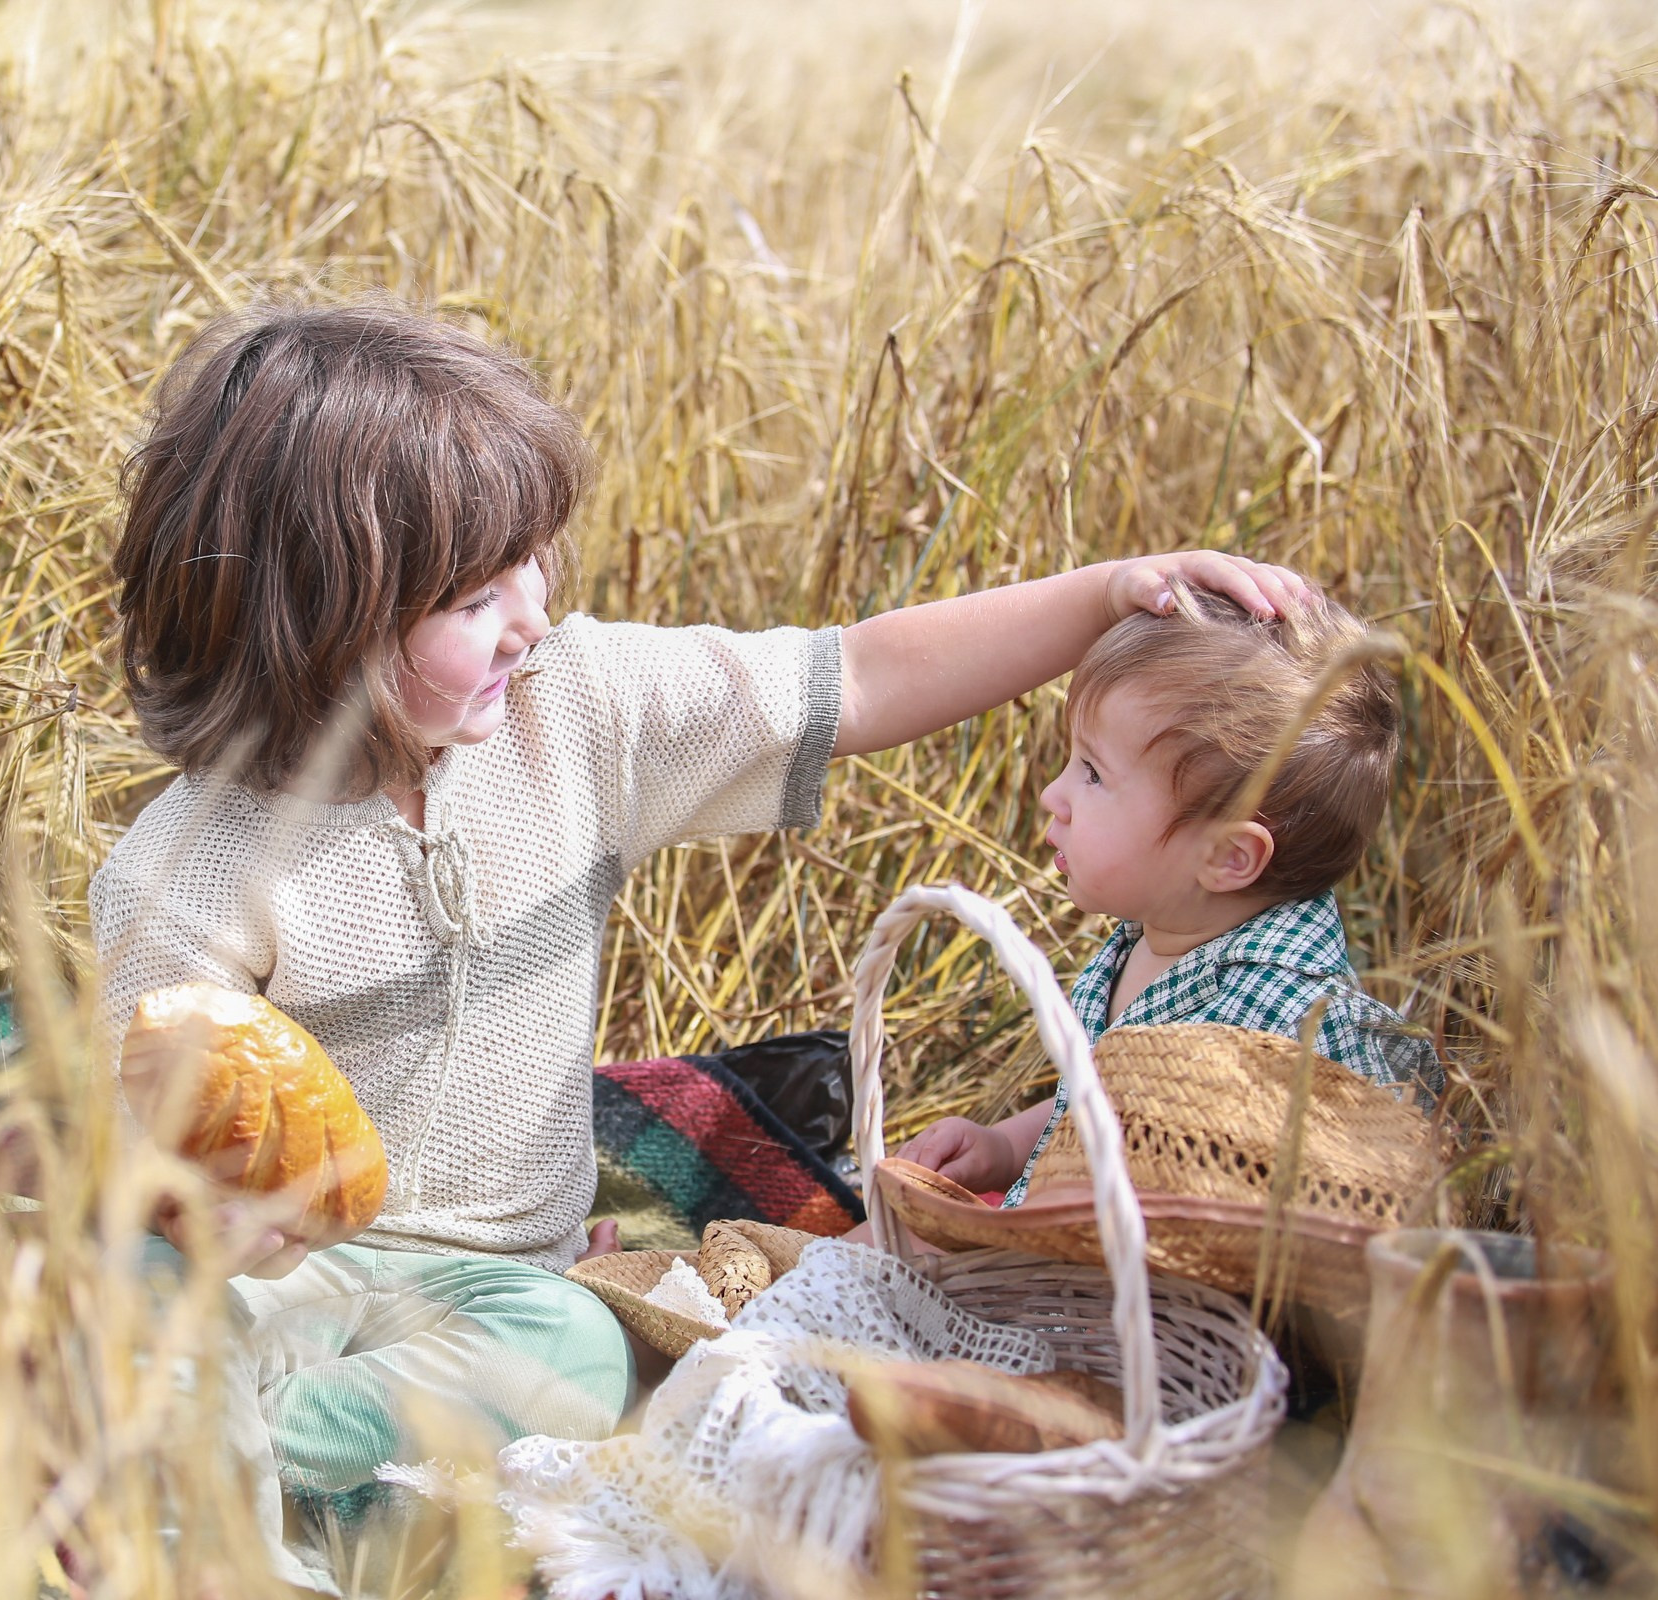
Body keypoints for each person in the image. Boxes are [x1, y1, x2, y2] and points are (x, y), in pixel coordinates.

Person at [88, 299, 1310, 1586]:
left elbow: (866, 677)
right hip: (278, 1282)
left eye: (532, 566)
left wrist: (1111, 593)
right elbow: (166, 1168)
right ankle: (227, 1480)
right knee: (127, 1293)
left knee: (586, 1354)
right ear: (319, 621)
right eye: (475, 594)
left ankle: (236, 1460)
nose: (533, 619)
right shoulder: (185, 875)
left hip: (500, 1287)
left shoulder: (584, 716)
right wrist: (211, 1225)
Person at [894, 584, 1443, 1208]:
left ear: (1225, 857)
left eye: (1094, 773)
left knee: (885, 1250)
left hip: (1141, 1283)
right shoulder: (1165, 926)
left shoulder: (1266, 1027)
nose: (1054, 794)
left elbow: (1198, 1204)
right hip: (1072, 1238)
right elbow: (1098, 1104)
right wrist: (1002, 1147)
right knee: (886, 1234)